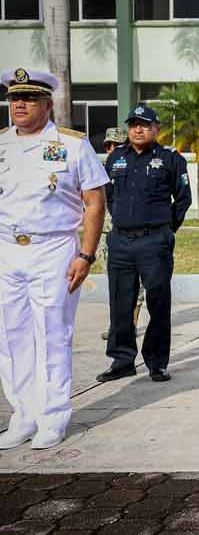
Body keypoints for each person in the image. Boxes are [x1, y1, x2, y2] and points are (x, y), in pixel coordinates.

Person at [0, 68, 107, 450]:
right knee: (10, 337)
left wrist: (86, 253)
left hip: (54, 249)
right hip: (6, 250)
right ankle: (23, 414)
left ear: (47, 104)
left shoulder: (72, 145)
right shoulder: (1, 144)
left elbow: (95, 202)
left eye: (28, 98)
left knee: (52, 334)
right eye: (14, 98)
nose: (20, 105)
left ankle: (53, 416)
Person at [97, 105, 191, 383]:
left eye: (145, 124)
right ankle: (122, 359)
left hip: (155, 241)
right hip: (121, 241)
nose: (138, 129)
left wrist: (164, 229)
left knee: (158, 301)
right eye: (134, 124)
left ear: (156, 128)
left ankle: (157, 362)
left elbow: (183, 199)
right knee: (120, 301)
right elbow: (109, 196)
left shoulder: (170, 158)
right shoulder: (115, 159)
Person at [98, 127, 145, 342]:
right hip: (108, 233)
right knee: (115, 283)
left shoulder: (137, 168)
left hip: (134, 234)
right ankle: (117, 323)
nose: (112, 149)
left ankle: (131, 324)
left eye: (117, 145)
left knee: (137, 285)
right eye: (108, 145)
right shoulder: (98, 170)